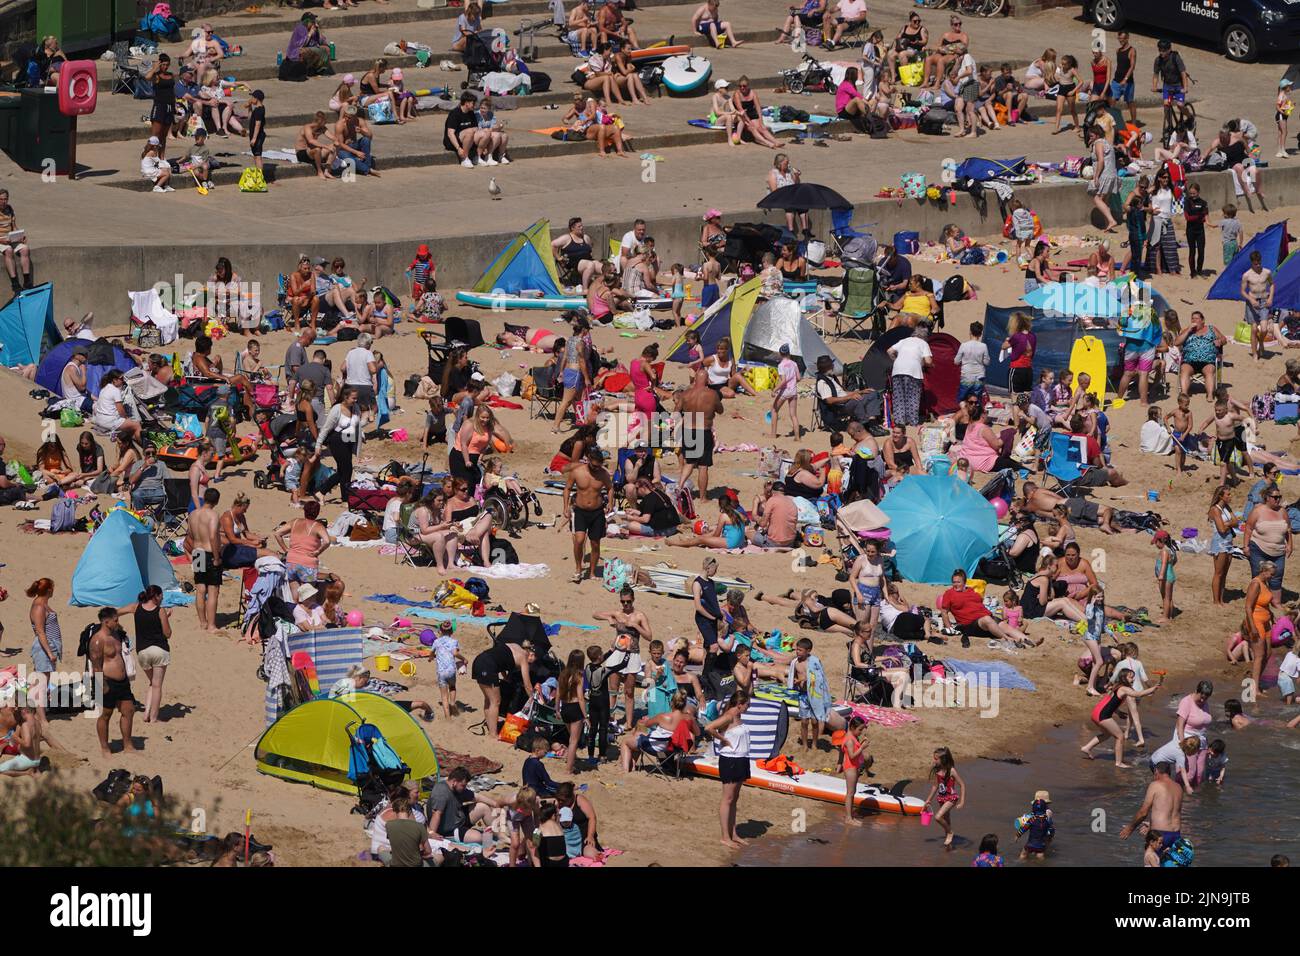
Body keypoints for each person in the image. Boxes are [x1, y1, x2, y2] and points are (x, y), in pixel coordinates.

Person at [1082, 669, 1163, 767]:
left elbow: (1110, 702)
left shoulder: (1116, 686)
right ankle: (1119, 762)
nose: (1133, 679)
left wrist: (1119, 712)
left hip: (1096, 712)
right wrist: (1154, 688)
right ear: (1123, 677)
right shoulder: (1124, 688)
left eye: (1133, 676)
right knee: (1120, 736)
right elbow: (1139, 694)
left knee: (1106, 735)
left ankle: (1087, 747)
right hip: (1102, 715)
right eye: (1130, 677)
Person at [88, 608, 137, 758]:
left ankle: (128, 744)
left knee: (128, 710)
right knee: (105, 714)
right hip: (107, 681)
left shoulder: (116, 635)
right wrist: (101, 685)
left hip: (122, 681)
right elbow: (96, 665)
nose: (117, 622)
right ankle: (105, 748)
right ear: (106, 621)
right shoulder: (97, 640)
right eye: (115, 620)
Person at [704, 689, 750, 848]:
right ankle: (725, 837)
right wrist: (723, 739)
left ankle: (733, 833)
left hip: (741, 759)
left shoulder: (738, 716)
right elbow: (709, 728)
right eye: (746, 705)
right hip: (730, 760)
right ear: (739, 704)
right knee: (727, 799)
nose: (748, 708)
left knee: (734, 799)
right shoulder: (729, 716)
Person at [564, 444, 612, 584]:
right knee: (579, 540)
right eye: (595, 466)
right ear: (589, 460)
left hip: (597, 512)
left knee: (595, 544)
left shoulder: (603, 473)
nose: (597, 468)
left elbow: (610, 488)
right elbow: (567, 489)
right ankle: (578, 569)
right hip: (580, 511)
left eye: (599, 466)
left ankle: (591, 572)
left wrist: (610, 502)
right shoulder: (577, 472)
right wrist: (565, 507)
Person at [1119, 762, 1184, 864]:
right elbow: (1171, 812)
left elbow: (1143, 812)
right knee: (1169, 865)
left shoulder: (1155, 785)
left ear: (1156, 772)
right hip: (1176, 835)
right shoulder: (1178, 787)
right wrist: (1150, 825)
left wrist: (1130, 828)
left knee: (1151, 862)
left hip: (1159, 836)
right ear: (1169, 773)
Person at [425, 767, 498, 856]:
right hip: (449, 829)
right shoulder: (441, 793)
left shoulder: (457, 788)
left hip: (458, 817)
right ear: (454, 781)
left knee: (483, 807)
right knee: (477, 837)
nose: (464, 788)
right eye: (463, 785)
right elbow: (436, 814)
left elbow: (476, 796)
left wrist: (495, 804)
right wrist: (432, 834)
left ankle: (499, 835)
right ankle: (486, 844)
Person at [677, 369, 723, 499]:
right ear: (707, 380)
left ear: (695, 379)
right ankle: (703, 498)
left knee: (689, 462)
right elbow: (720, 410)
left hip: (689, 430)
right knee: (703, 466)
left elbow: (676, 411)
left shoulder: (685, 394)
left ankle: (679, 487)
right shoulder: (712, 394)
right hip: (703, 431)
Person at [314, 386, 364, 503]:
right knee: (347, 470)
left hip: (349, 440)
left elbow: (356, 425)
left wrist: (359, 437)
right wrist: (318, 445)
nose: (355, 400)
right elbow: (325, 429)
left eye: (356, 398)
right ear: (345, 397)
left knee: (343, 470)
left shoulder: (355, 407)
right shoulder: (337, 409)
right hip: (337, 441)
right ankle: (345, 500)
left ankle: (321, 492)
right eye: (353, 398)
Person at [186, 487, 223, 632]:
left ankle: (202, 622)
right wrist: (216, 557)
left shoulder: (193, 514)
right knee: (213, 590)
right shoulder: (213, 515)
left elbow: (190, 535)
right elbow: (213, 536)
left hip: (197, 552)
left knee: (200, 588)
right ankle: (212, 625)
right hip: (208, 553)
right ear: (216, 501)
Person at [887, 325, 932, 427]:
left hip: (898, 369)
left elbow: (889, 351)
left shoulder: (904, 340)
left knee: (899, 397)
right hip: (913, 371)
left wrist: (896, 360)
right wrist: (928, 365)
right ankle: (912, 421)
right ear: (925, 336)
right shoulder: (923, 343)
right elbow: (928, 361)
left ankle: (900, 421)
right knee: (913, 397)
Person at [923, 747, 965, 849]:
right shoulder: (937, 770)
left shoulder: (951, 771)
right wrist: (928, 800)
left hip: (951, 798)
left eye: (936, 759)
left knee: (938, 817)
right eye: (934, 758)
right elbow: (935, 786)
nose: (934, 761)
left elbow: (962, 785)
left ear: (943, 759)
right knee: (946, 821)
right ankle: (949, 846)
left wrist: (962, 802)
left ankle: (950, 833)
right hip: (941, 798)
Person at [1241, 250, 1275, 362]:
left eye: (1259, 263)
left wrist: (1270, 298)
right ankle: (1255, 353)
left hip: (1264, 300)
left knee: (1264, 329)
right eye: (1256, 264)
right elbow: (1242, 291)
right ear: (1252, 263)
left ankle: (1260, 342)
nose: (1258, 265)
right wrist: (1250, 299)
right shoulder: (1247, 275)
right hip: (1252, 302)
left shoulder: (1267, 272)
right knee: (1254, 329)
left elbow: (1272, 284)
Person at [731, 76, 781, 149]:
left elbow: (758, 107)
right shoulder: (737, 94)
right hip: (741, 117)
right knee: (752, 128)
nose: (742, 88)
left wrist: (761, 121)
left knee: (761, 127)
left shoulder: (753, 93)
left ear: (748, 85)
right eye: (740, 86)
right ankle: (767, 143)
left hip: (751, 114)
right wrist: (749, 121)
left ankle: (775, 141)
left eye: (744, 86)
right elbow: (740, 109)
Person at [0, 188, 33, 293]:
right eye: (1, 199)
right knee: (8, 251)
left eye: (5, 199)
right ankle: (15, 283)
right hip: (1, 239)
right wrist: (2, 241)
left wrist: (20, 235)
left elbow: (13, 226)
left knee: (25, 249)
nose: (3, 201)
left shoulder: (9, 209)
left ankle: (27, 281)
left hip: (10, 237)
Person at [766, 154, 808, 236]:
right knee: (790, 207)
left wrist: (796, 176)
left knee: (803, 205)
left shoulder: (788, 172)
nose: (788, 165)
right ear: (779, 164)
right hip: (778, 196)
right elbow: (774, 191)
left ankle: (805, 229)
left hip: (789, 195)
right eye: (786, 163)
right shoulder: (773, 173)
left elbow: (796, 184)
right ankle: (791, 230)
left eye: (788, 163)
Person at [286, 12, 331, 77]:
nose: (314, 23)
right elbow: (301, 44)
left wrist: (318, 31)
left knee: (326, 49)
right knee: (306, 51)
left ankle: (319, 70)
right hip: (296, 53)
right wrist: (309, 34)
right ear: (307, 22)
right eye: (312, 21)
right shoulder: (300, 29)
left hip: (310, 49)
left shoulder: (314, 28)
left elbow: (322, 41)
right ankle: (303, 70)